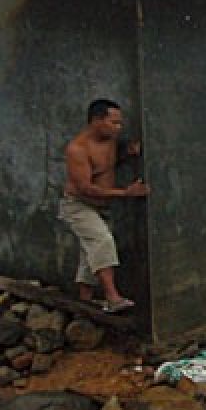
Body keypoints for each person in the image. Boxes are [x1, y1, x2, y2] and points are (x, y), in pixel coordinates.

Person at [59, 98, 149, 312]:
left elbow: (106, 165)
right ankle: (113, 298)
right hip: (79, 205)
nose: (118, 128)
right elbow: (85, 188)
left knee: (91, 251)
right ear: (96, 120)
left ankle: (85, 300)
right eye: (113, 123)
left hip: (102, 207)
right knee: (102, 241)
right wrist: (125, 193)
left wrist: (128, 153)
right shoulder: (78, 149)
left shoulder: (110, 141)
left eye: (120, 123)